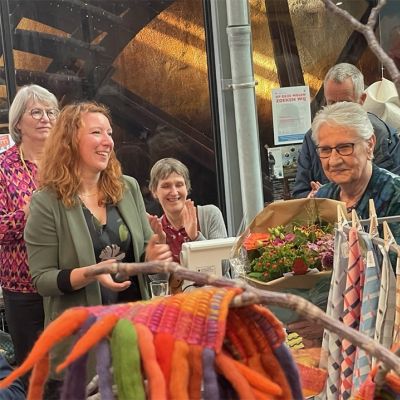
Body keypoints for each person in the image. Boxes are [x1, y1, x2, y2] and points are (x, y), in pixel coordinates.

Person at [24, 101, 172, 396]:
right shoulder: (46, 202)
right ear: (69, 141)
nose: (108, 141)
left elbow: (143, 252)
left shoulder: (127, 188)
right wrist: (92, 272)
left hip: (133, 333)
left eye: (109, 133)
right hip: (82, 346)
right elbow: (42, 279)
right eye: (96, 133)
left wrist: (153, 255)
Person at [0, 84, 59, 377]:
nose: (45, 118)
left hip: (66, 281)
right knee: (35, 375)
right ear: (18, 122)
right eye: (36, 112)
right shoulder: (3, 167)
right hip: (23, 288)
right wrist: (25, 215)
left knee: (73, 371)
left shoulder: (68, 164)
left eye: (51, 112)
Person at [293, 63, 400, 198]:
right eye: (332, 103)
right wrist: (315, 197)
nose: (338, 110)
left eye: (346, 103)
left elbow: (394, 190)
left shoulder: (386, 137)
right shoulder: (313, 137)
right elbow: (300, 192)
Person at [313, 101, 400, 243]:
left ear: (370, 145)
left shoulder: (395, 195)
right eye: (326, 150)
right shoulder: (323, 197)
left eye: (344, 147)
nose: (334, 161)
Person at [147, 158, 228, 293]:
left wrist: (195, 237)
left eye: (179, 184)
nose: (174, 192)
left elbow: (224, 267)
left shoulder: (210, 214)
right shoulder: (155, 229)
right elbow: (159, 284)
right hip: (178, 302)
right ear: (154, 191)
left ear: (187, 188)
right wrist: (159, 250)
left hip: (215, 298)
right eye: (166, 186)